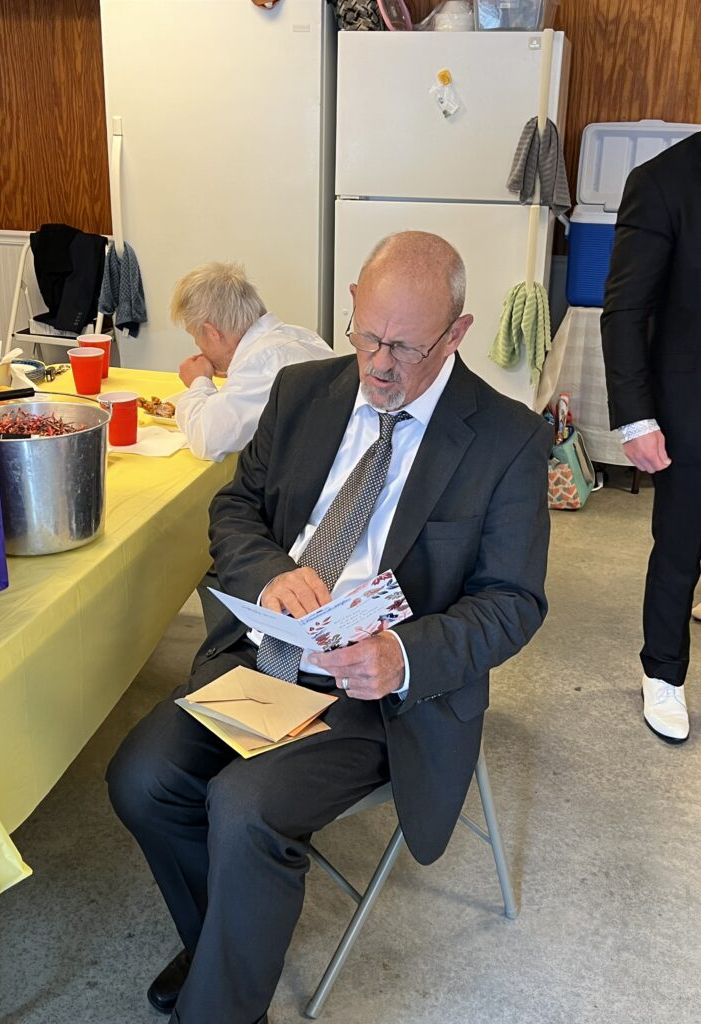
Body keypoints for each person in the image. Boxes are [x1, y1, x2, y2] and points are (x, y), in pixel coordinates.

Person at [107, 231, 551, 1024]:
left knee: (243, 807)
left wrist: (402, 656)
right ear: (352, 305)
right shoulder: (303, 390)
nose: (377, 364)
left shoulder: (507, 438)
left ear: (457, 332)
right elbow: (236, 509)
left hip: (378, 696)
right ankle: (226, 955)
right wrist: (269, 573)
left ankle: (221, 1003)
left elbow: (513, 601)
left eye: (404, 348)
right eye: (366, 335)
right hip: (267, 653)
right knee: (141, 778)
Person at [601, 131, 701, 744]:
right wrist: (636, 419)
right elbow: (625, 311)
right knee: (680, 547)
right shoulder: (663, 181)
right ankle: (663, 672)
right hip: (691, 405)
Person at [170, 261, 333, 460]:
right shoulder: (300, 336)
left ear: (212, 332)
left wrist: (199, 383)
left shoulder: (261, 363)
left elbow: (207, 441)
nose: (198, 346)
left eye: (195, 337)